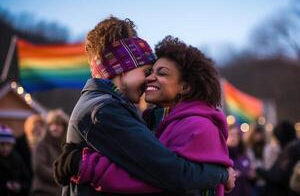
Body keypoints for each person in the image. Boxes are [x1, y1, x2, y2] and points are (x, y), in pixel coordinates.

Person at [53, 16, 235, 195]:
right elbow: (166, 173)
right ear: (122, 68)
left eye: (159, 73)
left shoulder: (102, 106)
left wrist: (82, 165)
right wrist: (221, 174)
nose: (149, 79)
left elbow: (163, 174)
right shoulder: (104, 110)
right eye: (147, 71)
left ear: (185, 86)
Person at [31, 110, 68, 196]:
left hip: (59, 192)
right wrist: (60, 176)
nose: (55, 127)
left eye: (59, 124)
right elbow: (39, 167)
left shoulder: (65, 147)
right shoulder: (42, 145)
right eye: (52, 124)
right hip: (42, 191)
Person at [0, 124, 31, 196]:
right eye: (2, 144)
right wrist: (4, 186)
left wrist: (20, 186)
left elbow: (27, 180)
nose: (6, 148)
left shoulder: (17, 159)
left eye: (8, 144)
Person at [226, 126, 254, 196]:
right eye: (231, 135)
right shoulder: (222, 156)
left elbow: (251, 173)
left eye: (236, 135)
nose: (234, 138)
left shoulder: (243, 155)